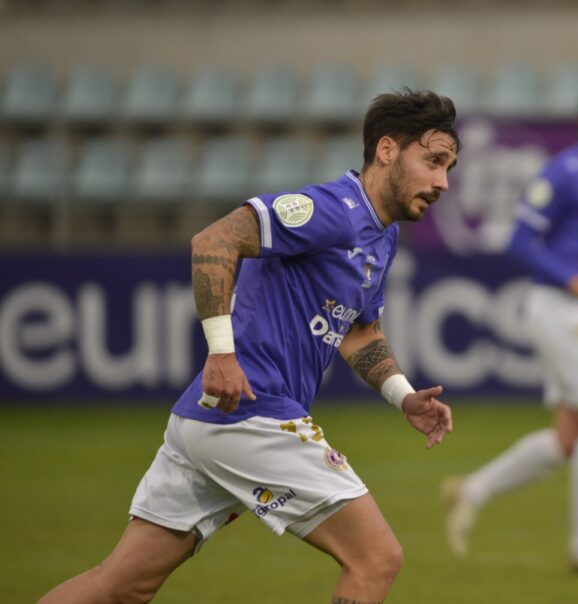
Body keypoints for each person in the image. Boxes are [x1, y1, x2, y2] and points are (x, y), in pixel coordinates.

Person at [39, 89, 459, 604]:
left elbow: (358, 331)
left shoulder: (382, 235)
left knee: (122, 586)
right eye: (433, 161)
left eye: (449, 168)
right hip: (254, 412)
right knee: (376, 559)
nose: (442, 182)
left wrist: (403, 395)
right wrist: (221, 352)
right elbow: (214, 241)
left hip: (210, 420)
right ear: (388, 150)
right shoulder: (331, 208)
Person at [442, 75, 578, 580]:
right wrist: (573, 280)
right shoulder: (565, 170)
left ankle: (469, 491)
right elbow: (519, 240)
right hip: (561, 308)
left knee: (569, 439)